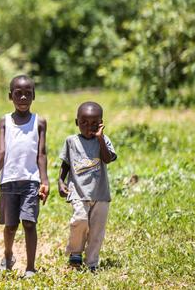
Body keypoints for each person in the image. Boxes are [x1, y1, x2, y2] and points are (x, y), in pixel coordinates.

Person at [0, 75, 49, 278]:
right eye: (18, 93)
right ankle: (8, 255)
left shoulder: (39, 122)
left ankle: (30, 267)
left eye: (27, 94)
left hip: (31, 181)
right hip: (9, 182)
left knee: (29, 223)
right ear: (10, 96)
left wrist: (45, 180)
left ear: (34, 95)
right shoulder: (5, 121)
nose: (23, 97)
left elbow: (42, 154)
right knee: (11, 226)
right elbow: (1, 151)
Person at [58, 101, 117, 272]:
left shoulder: (104, 140)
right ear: (77, 122)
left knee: (97, 231)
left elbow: (107, 159)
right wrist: (61, 181)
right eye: (83, 122)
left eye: (94, 123)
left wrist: (100, 138)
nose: (88, 126)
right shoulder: (71, 141)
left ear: (101, 123)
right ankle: (75, 253)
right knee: (80, 220)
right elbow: (66, 164)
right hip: (78, 191)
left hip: (100, 194)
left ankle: (92, 262)